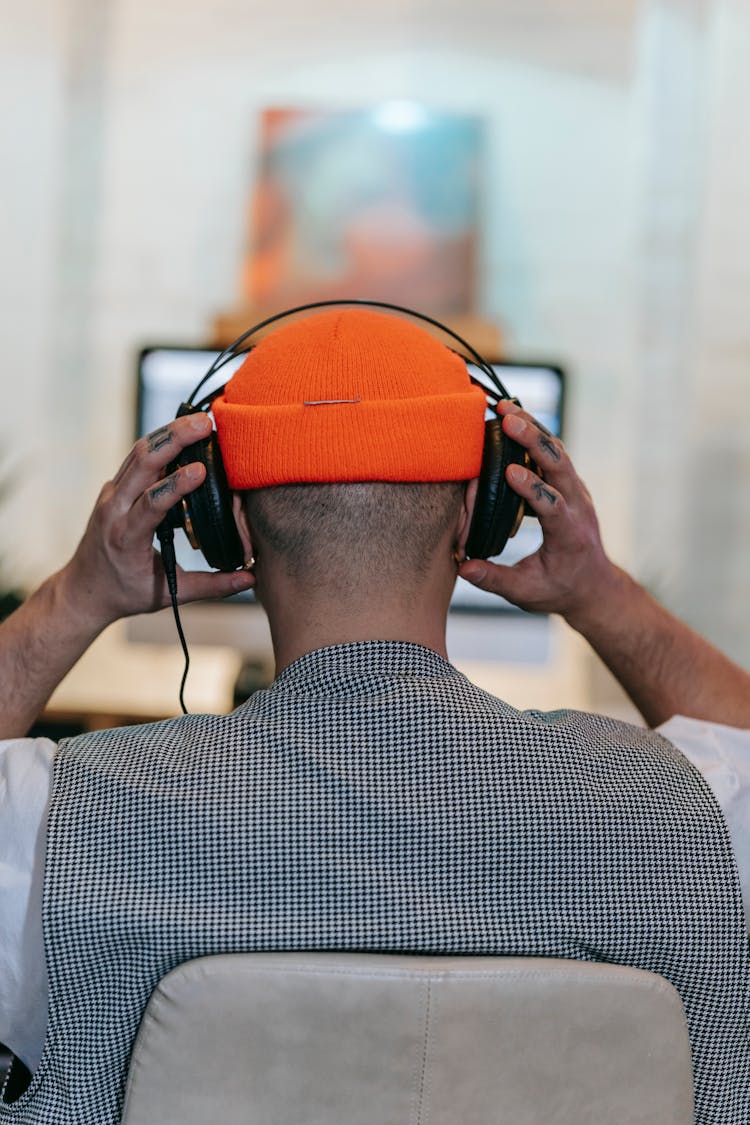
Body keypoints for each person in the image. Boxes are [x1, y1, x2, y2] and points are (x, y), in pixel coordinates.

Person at [0, 307, 748, 1124]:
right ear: (480, 512)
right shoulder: (708, 816)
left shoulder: (47, 826)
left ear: (226, 522)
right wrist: (600, 592)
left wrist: (78, 596)